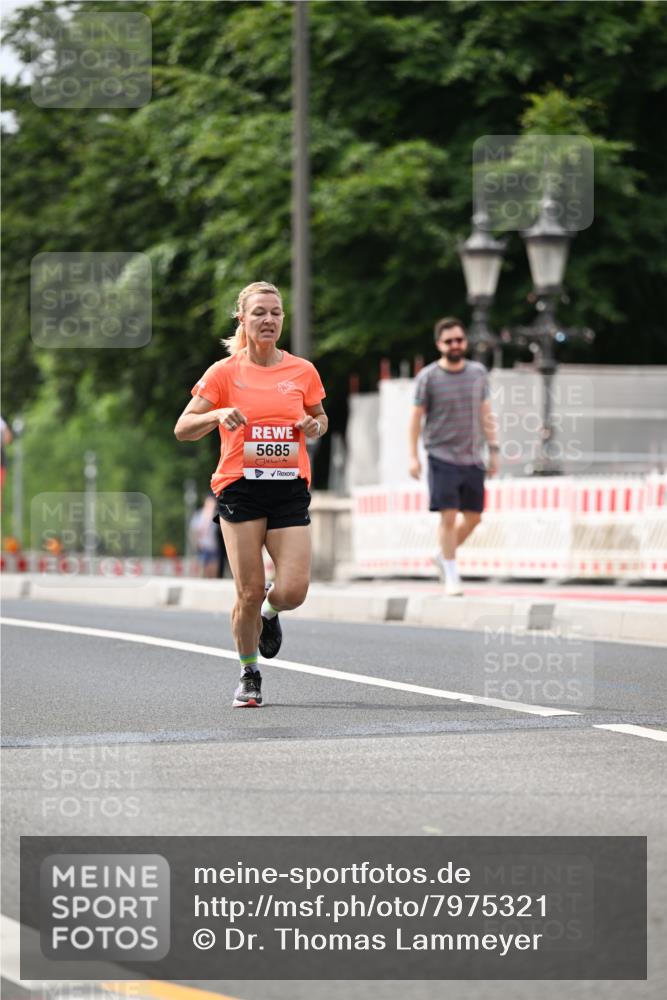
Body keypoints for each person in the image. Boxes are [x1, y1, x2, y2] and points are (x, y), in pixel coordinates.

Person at [174, 281, 327, 707]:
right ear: (243, 319)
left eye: (275, 312)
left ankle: (270, 615)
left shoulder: (302, 371)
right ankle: (249, 671)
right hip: (240, 487)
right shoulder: (224, 372)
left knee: (293, 589)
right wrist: (218, 413)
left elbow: (319, 416)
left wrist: (316, 426)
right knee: (248, 589)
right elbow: (183, 428)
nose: (269, 320)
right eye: (259, 312)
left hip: (288, 488)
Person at [409, 317, 499, 595]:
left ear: (465, 342)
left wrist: (494, 449)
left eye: (459, 340)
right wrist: (413, 457)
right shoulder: (429, 377)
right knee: (448, 517)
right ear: (439, 345)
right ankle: (451, 574)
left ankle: (442, 556)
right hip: (441, 455)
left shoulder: (477, 373)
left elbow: (486, 413)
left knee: (474, 518)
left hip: (472, 456)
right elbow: (415, 419)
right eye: (449, 341)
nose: (455, 345)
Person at [189, 495, 221, 578]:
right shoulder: (199, 515)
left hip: (214, 547)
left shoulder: (216, 515)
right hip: (202, 547)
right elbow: (194, 531)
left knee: (213, 571)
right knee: (202, 571)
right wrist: (196, 544)